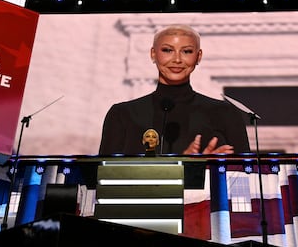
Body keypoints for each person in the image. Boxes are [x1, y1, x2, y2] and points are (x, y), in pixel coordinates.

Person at [99, 24, 251, 155]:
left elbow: (246, 176)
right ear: (153, 54)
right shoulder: (122, 114)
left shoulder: (225, 113)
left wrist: (209, 168)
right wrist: (185, 163)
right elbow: (101, 176)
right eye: (167, 50)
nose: (177, 59)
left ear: (198, 57)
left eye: (187, 51)